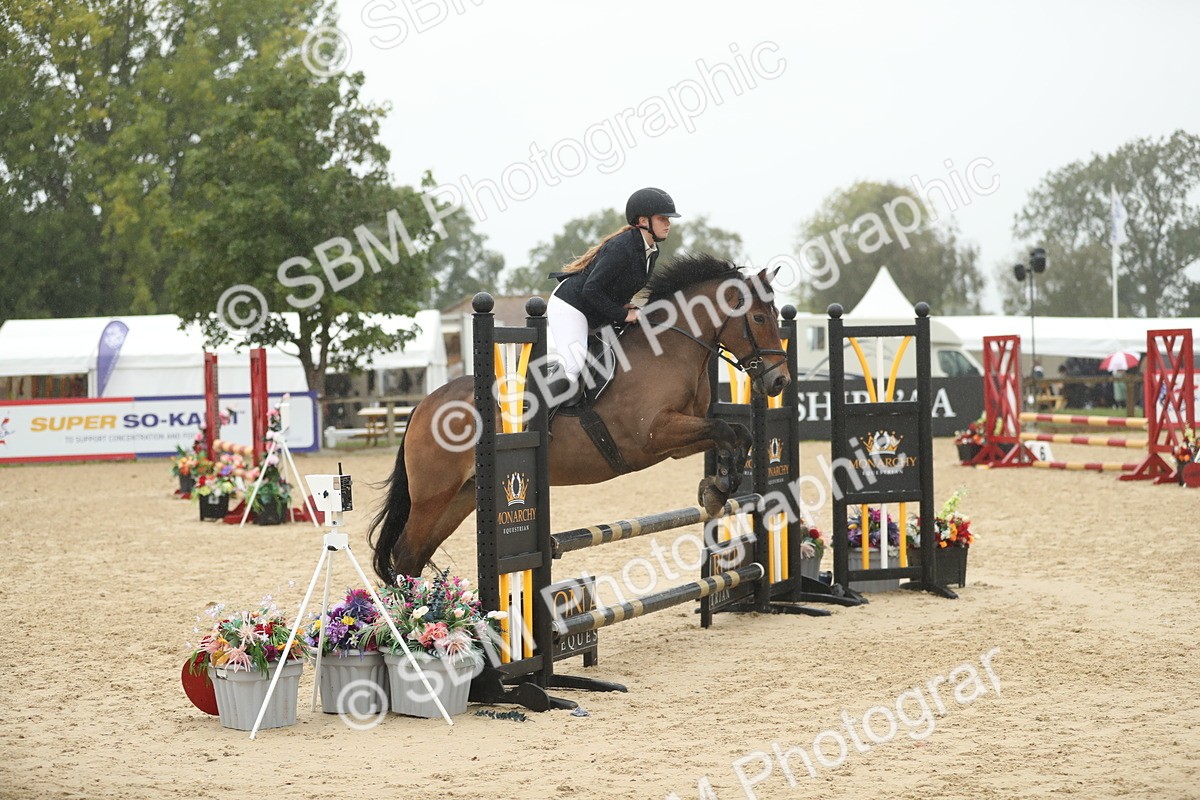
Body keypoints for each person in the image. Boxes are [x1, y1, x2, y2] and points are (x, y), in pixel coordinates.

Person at [544, 187, 680, 405]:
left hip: (595, 310)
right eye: (662, 218)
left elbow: (616, 287)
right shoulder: (622, 247)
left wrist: (626, 305)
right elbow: (591, 289)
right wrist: (623, 315)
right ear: (643, 220)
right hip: (571, 306)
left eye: (668, 219)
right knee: (574, 365)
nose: (668, 224)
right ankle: (533, 420)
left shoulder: (651, 252)